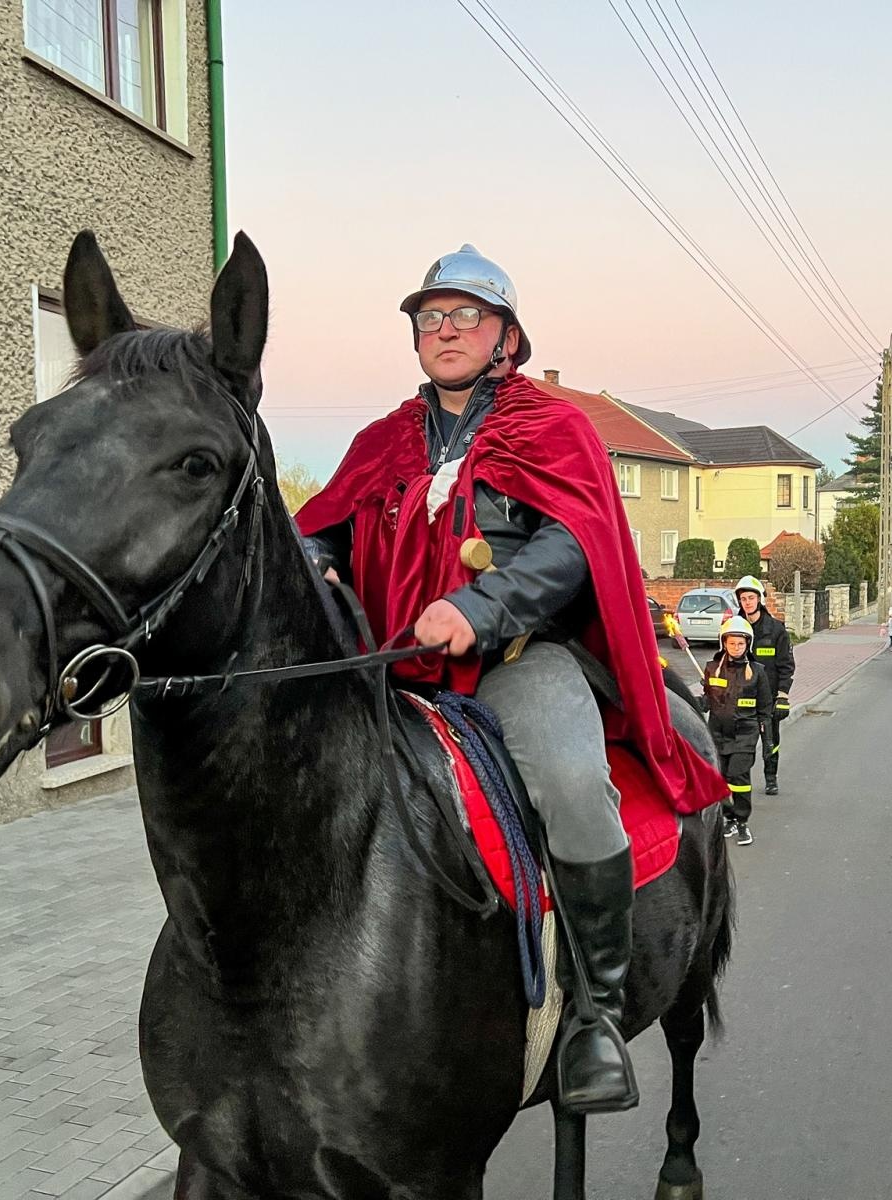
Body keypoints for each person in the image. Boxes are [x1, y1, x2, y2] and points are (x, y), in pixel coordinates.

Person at [295, 244, 726, 1113]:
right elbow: (321, 529)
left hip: (517, 667)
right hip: (392, 679)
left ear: (506, 335)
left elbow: (575, 545)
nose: (445, 330)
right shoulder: (379, 443)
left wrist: (481, 608)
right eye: (430, 317)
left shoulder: (553, 428)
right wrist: (317, 566)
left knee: (571, 784)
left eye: (465, 315)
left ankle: (596, 1018)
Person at [704, 616, 772, 846]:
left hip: (745, 734)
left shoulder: (757, 671)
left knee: (738, 777)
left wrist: (768, 740)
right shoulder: (712, 669)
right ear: (724, 643)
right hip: (717, 734)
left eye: (740, 644)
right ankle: (728, 817)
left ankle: (742, 821)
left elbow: (765, 708)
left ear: (748, 645)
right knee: (720, 779)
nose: (736, 647)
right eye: (732, 643)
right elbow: (707, 701)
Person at [733, 576, 794, 796]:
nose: (747, 602)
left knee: (770, 741)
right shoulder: (733, 629)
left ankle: (771, 778)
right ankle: (740, 784)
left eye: (751, 598)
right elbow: (722, 660)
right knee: (740, 746)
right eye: (743, 599)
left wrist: (782, 696)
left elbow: (786, 666)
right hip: (740, 698)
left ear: (760, 600)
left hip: (767, 699)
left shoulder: (776, 630)